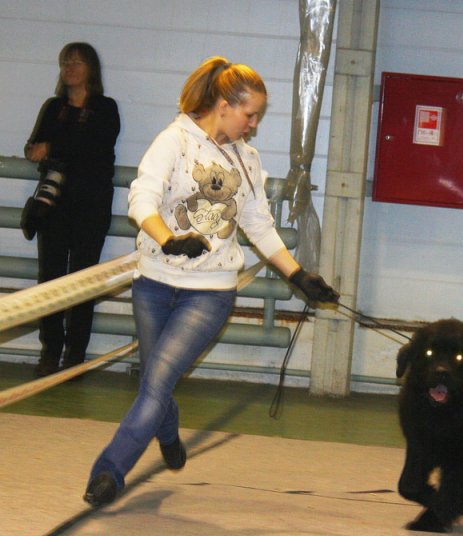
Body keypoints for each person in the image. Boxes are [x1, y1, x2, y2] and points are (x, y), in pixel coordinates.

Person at [83, 56, 339, 507]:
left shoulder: (248, 159)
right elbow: (142, 198)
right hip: (154, 284)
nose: (254, 124)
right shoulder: (174, 141)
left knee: (157, 383)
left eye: (257, 116)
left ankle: (108, 472)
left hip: (211, 292)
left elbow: (259, 225)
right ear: (223, 105)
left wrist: (299, 275)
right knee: (155, 383)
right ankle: (167, 430)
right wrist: (170, 239)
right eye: (249, 114)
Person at [24, 42, 120, 378]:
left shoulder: (106, 108)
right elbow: (33, 145)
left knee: (83, 280)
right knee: (49, 278)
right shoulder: (53, 107)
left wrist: (53, 147)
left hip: (91, 204)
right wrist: (41, 148)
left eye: (77, 62)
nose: (70, 68)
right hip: (55, 204)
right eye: (66, 62)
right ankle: (50, 350)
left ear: (91, 69)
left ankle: (75, 356)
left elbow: (95, 146)